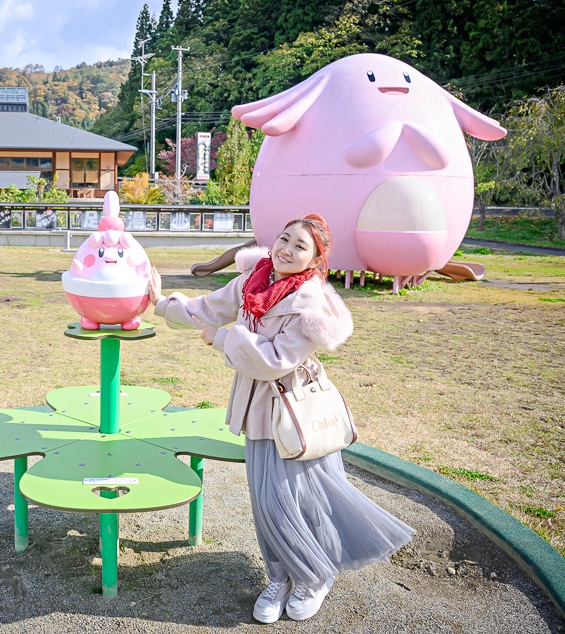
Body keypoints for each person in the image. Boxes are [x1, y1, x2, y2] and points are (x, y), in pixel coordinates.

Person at [149, 214, 414, 624]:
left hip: (294, 408)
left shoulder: (310, 303)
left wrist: (222, 338)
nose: (286, 249)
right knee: (266, 500)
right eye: (284, 238)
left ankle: (314, 576)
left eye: (300, 246)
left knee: (303, 498)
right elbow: (208, 307)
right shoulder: (256, 278)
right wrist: (161, 301)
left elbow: (275, 360)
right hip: (258, 409)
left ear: (315, 260)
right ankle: (279, 577)